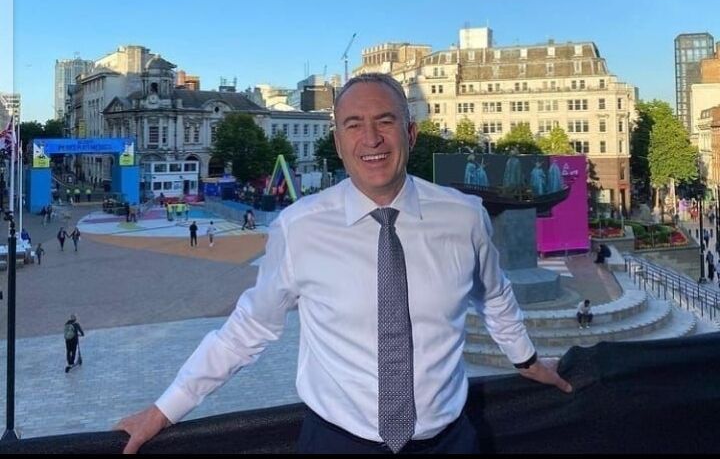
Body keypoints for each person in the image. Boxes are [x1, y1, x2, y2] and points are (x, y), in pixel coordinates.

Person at [116, 73, 571, 454]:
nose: (371, 139)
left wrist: (526, 358)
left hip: (447, 442)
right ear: (337, 142)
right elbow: (250, 328)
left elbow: (494, 295)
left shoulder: (464, 216)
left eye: (385, 121)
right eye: (354, 125)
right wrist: (165, 409)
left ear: (411, 133)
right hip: (336, 442)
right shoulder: (299, 227)